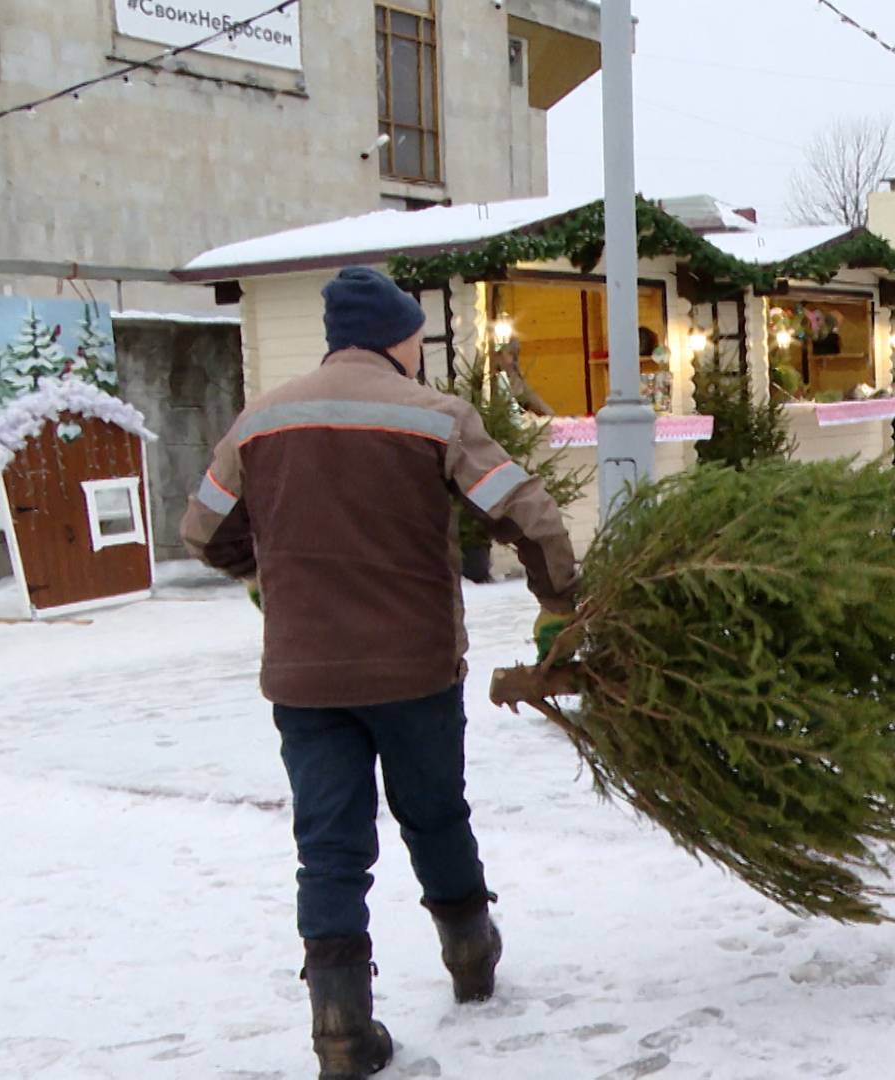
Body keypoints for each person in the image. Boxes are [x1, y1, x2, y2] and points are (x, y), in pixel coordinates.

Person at [181, 267, 581, 1079]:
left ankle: (339, 1025)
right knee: (434, 814)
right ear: (399, 338)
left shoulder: (262, 419)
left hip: (305, 678)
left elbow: (203, 531)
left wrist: (264, 576)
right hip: (415, 667)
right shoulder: (435, 417)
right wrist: (558, 604)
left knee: (328, 846)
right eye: (417, 339)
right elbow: (528, 516)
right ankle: (470, 955)